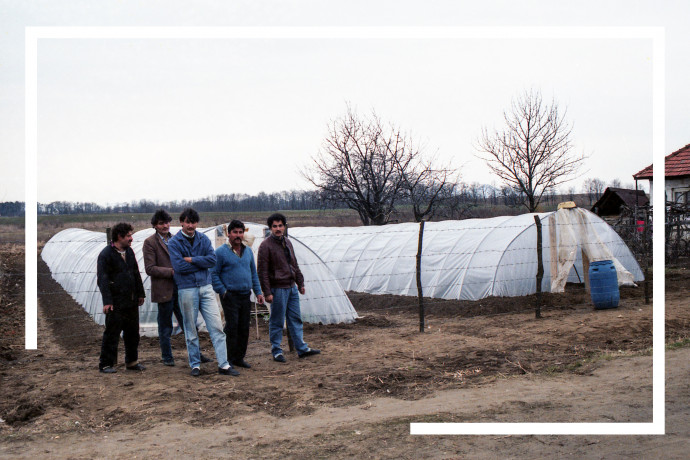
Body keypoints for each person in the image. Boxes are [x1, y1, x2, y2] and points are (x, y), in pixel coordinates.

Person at [167, 208, 239, 377]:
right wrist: (201, 262)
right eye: (187, 222)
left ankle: (224, 364)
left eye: (193, 222)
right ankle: (195, 364)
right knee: (190, 328)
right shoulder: (175, 242)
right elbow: (178, 266)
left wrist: (191, 259)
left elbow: (212, 260)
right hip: (187, 288)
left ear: (196, 223)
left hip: (206, 287)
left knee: (216, 326)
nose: (190, 225)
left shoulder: (203, 239)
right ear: (182, 222)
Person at [143, 209, 211, 366]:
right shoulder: (150, 243)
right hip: (164, 289)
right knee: (165, 324)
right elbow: (150, 268)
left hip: (182, 288)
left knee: (189, 322)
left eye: (167, 222)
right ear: (155, 225)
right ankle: (167, 356)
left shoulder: (175, 239)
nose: (165, 226)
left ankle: (197, 354)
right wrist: (172, 272)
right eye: (161, 223)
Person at [257, 213, 320, 363]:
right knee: (277, 321)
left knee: (295, 319)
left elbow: (294, 264)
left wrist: (300, 282)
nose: (278, 229)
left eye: (280, 226)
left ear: (284, 226)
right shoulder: (265, 246)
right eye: (275, 226)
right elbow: (262, 271)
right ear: (270, 228)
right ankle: (277, 351)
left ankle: (302, 348)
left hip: (291, 287)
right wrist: (267, 292)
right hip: (278, 289)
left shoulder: (287, 242)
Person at [212, 220, 265, 369]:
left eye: (240, 232)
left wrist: (258, 292)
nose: (238, 235)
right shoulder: (221, 252)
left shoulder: (247, 251)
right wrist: (223, 291)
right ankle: (228, 359)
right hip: (230, 296)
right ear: (229, 234)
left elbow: (253, 273)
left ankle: (239, 358)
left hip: (245, 295)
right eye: (235, 232)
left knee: (244, 327)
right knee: (232, 327)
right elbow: (214, 274)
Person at [97, 222, 146, 373]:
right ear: (119, 237)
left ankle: (132, 362)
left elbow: (136, 273)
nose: (131, 238)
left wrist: (140, 293)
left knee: (133, 333)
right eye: (129, 236)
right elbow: (102, 280)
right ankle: (106, 364)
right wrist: (107, 302)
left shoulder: (129, 252)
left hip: (131, 301)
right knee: (112, 334)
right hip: (116, 303)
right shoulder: (106, 255)